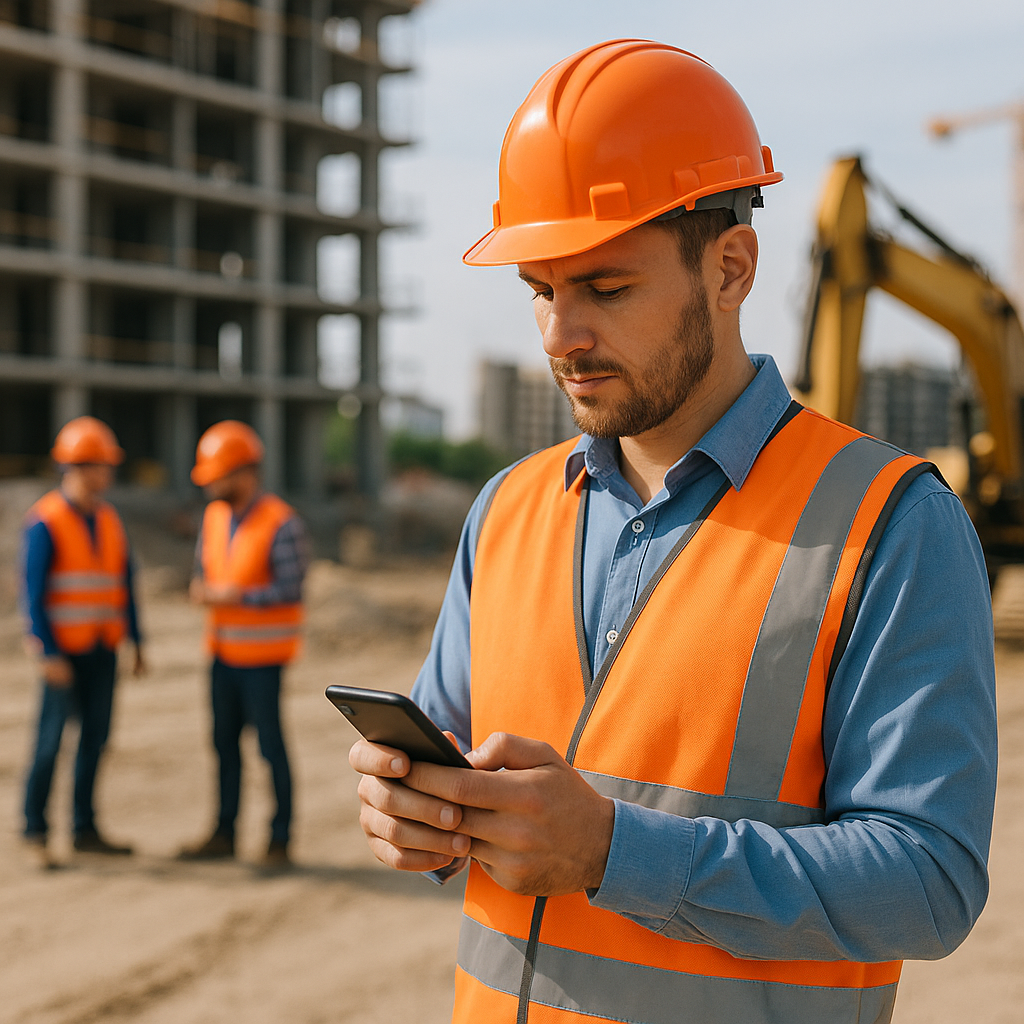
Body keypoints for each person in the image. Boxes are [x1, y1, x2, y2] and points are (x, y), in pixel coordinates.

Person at [348, 40, 999, 1024]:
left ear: (729, 267)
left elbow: (928, 881)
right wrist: (418, 812)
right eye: (540, 290)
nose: (561, 333)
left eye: (604, 288)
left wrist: (613, 851)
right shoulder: (507, 510)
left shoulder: (889, 523)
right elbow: (454, 763)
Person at [179, 420, 306, 868]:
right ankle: (223, 833)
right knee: (223, 746)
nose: (210, 484)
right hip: (222, 655)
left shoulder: (280, 522)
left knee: (271, 748)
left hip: (263, 660)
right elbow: (204, 570)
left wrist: (239, 597)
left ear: (242, 472)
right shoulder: (214, 518)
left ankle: (279, 839)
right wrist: (203, 589)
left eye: (216, 475)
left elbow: (291, 588)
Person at [21, 416, 145, 867]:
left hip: (101, 649)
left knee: (95, 739)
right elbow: (31, 594)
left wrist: (137, 641)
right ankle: (35, 831)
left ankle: (84, 828)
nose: (108, 473)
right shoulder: (45, 522)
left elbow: (125, 582)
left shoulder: (109, 519)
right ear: (77, 466)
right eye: (101, 464)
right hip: (63, 653)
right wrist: (45, 650)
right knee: (49, 743)